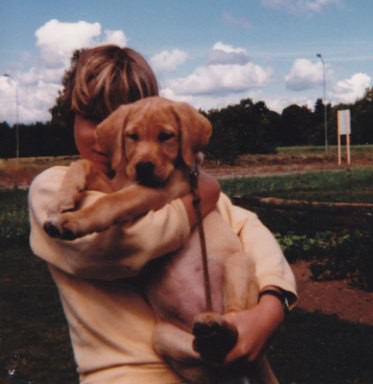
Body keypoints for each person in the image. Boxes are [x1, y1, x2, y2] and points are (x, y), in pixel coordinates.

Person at [29, 44, 297, 384]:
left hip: (217, 348)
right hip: (124, 375)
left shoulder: (182, 182)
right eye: (96, 119)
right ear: (72, 118)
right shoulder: (51, 189)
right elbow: (125, 246)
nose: (103, 136)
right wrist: (200, 192)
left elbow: (248, 228)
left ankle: (218, 342)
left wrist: (272, 305)